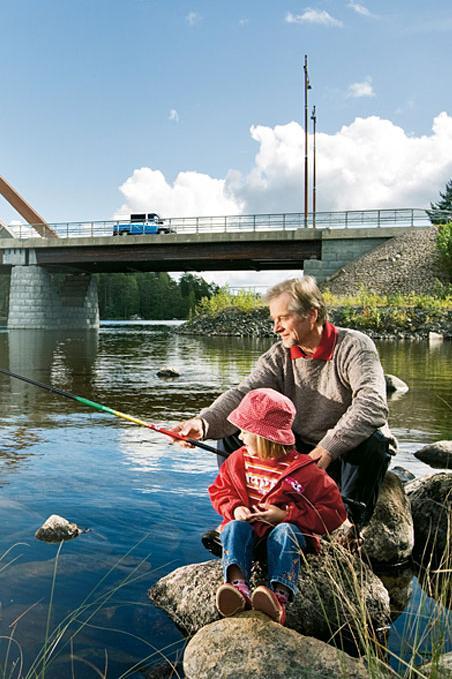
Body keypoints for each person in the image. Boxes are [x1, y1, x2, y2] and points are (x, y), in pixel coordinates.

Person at [173, 276, 396, 545]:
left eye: (283, 318)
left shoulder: (355, 346)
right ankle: (244, 518)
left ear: (312, 314)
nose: (276, 328)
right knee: (235, 432)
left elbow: (371, 404)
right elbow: (244, 395)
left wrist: (328, 448)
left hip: (342, 453)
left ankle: (345, 530)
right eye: (273, 319)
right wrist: (203, 423)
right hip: (298, 451)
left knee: (373, 443)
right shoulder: (279, 354)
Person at [210, 387, 346, 624]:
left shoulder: (305, 471)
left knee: (286, 532)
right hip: (252, 534)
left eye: (245, 430)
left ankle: (279, 597)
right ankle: (237, 586)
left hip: (282, 540)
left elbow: (335, 512)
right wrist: (234, 508)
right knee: (233, 527)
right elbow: (220, 490)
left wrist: (285, 515)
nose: (240, 437)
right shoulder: (238, 460)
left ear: (264, 436)